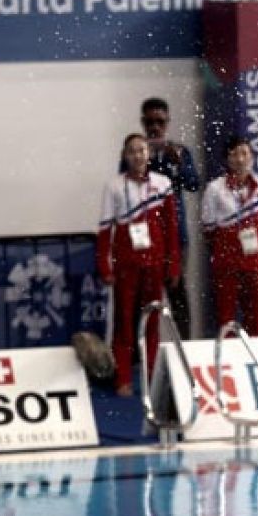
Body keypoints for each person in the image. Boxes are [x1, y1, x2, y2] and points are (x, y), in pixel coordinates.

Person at [98, 134, 181, 397]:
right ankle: (122, 378)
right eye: (132, 151)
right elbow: (103, 231)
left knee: (153, 323)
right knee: (124, 323)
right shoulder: (113, 186)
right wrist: (105, 267)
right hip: (126, 265)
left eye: (142, 150)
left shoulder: (163, 184)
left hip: (154, 264)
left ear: (149, 154)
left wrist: (173, 266)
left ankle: (153, 378)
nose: (137, 155)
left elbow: (171, 229)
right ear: (125, 155)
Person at [139, 97, 201, 338]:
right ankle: (145, 353)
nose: (155, 127)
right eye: (150, 122)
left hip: (176, 236)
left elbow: (194, 184)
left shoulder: (179, 151)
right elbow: (122, 180)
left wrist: (178, 165)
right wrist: (144, 161)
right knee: (146, 295)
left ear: (167, 123)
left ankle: (185, 349)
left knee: (178, 294)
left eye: (160, 122)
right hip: (144, 237)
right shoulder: (135, 151)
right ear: (143, 123)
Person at [201, 136, 258, 335]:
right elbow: (208, 229)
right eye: (234, 154)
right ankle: (228, 363)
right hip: (227, 261)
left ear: (252, 157)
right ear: (227, 159)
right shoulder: (214, 189)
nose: (240, 159)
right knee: (226, 319)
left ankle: (252, 363)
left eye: (244, 153)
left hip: (254, 261)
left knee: (255, 317)